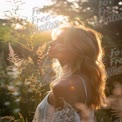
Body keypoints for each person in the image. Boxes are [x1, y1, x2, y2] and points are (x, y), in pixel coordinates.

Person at [32, 25, 107, 122]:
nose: (51, 43)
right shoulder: (86, 80)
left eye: (59, 41)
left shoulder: (64, 86)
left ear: (75, 48)